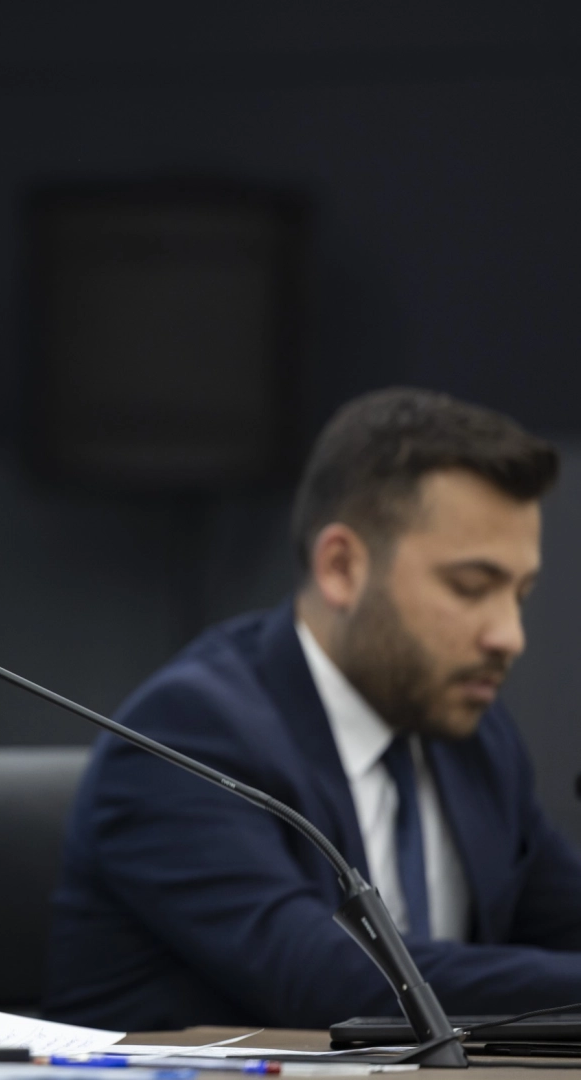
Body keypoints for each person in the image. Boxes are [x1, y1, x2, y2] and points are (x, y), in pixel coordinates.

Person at [45, 388, 580, 1030]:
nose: (509, 636)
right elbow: (324, 980)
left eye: (520, 595)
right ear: (342, 568)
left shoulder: (472, 736)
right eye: (471, 587)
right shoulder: (186, 734)